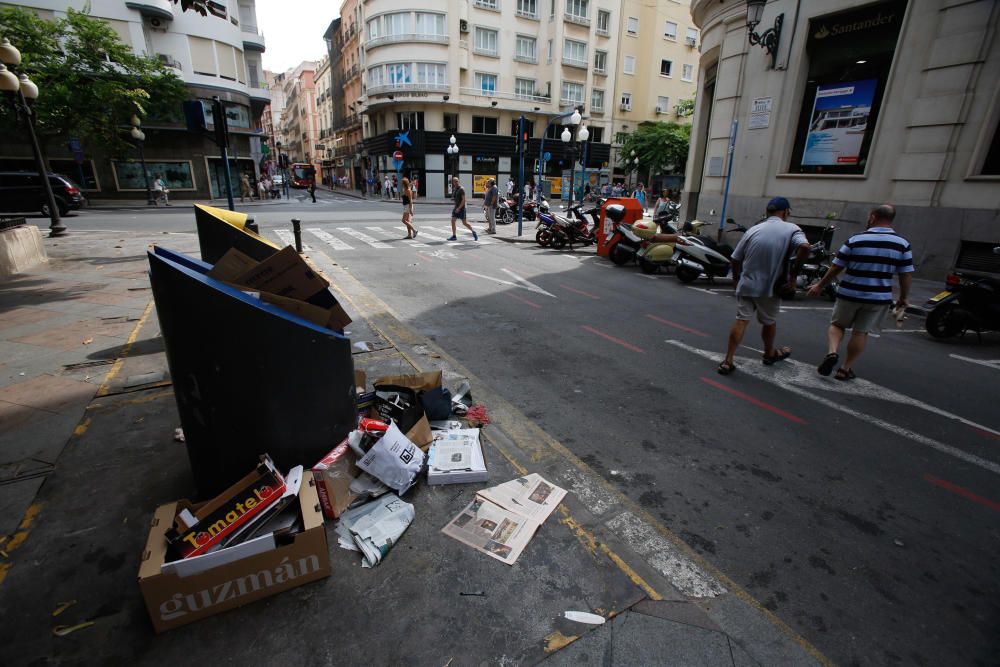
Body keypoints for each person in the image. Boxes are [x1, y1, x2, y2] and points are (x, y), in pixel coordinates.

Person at [807, 204, 913, 380]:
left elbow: (836, 266)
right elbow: (906, 274)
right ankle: (845, 368)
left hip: (850, 291)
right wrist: (903, 297)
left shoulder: (856, 239)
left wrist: (820, 285)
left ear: (872, 218)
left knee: (837, 324)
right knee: (861, 332)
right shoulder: (902, 244)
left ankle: (832, 352)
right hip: (878, 296)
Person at [717, 197, 810, 375]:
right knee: (769, 321)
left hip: (747, 283)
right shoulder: (792, 229)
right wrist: (792, 278)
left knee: (741, 319)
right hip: (770, 286)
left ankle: (728, 360)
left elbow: (736, 258)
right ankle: (768, 353)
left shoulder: (754, 229)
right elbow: (805, 248)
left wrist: (736, 279)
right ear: (786, 212)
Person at [448, 176, 477, 242]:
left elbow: (464, 200)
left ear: (458, 181)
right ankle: (454, 236)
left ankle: (473, 231)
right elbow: (455, 198)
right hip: (456, 207)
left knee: (464, 223)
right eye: (454, 181)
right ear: (453, 182)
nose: (455, 182)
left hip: (461, 208)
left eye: (457, 181)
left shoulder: (461, 189)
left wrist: (459, 208)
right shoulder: (455, 189)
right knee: (453, 220)